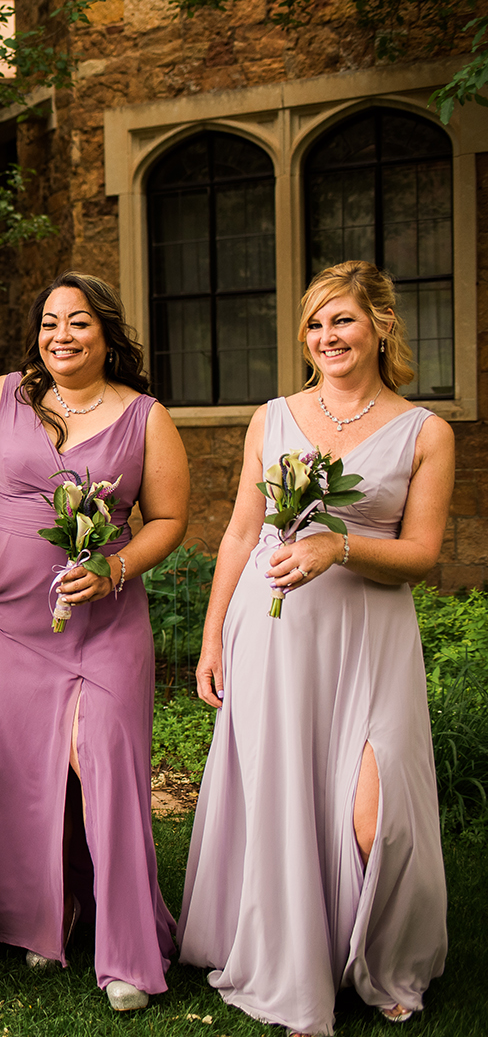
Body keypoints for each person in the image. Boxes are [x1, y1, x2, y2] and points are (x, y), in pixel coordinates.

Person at [178, 261, 451, 1036]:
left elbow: (425, 553)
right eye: (315, 323)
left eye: (343, 320)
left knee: (376, 815)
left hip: (370, 639)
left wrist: (341, 546)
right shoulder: (274, 417)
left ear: (381, 327)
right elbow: (240, 531)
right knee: (287, 795)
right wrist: (211, 635)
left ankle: (386, 957)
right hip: (273, 633)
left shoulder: (425, 431)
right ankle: (296, 967)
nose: (326, 336)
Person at [0, 272, 189, 1012]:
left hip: (103, 624)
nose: (61, 336)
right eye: (50, 322)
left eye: (78, 323)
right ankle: (44, 917)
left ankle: (127, 954)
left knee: (100, 762)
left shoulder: (146, 417)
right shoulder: (2, 395)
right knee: (18, 771)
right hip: (8, 614)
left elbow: (169, 520)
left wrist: (113, 569)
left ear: (107, 334)